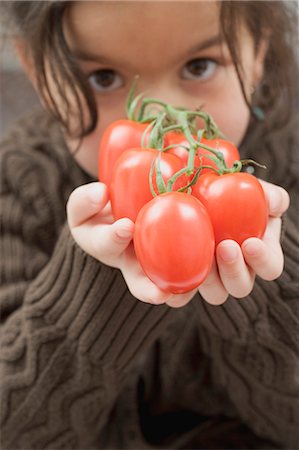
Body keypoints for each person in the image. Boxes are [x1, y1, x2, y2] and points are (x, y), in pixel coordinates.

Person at [0, 1, 298, 449]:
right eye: (102, 78)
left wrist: (268, 290)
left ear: (259, 53)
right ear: (37, 71)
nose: (159, 117)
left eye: (200, 66)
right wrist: (95, 283)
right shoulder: (19, 183)